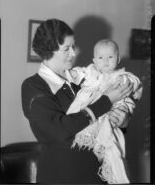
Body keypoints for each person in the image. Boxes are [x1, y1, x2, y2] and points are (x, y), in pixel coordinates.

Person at [21, 19, 133, 184]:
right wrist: (106, 101)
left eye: (73, 47)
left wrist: (123, 121)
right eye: (67, 48)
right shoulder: (33, 86)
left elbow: (102, 123)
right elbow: (60, 130)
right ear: (48, 49)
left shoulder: (82, 80)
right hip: (62, 176)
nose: (74, 53)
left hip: (98, 174)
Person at [66, 39, 143, 184]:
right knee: (90, 131)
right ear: (94, 60)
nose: (106, 61)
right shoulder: (91, 72)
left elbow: (135, 86)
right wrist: (74, 74)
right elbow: (78, 73)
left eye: (110, 57)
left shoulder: (122, 76)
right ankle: (88, 139)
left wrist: (125, 113)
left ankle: (114, 174)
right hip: (88, 108)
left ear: (118, 59)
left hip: (111, 113)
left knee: (112, 147)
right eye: (101, 58)